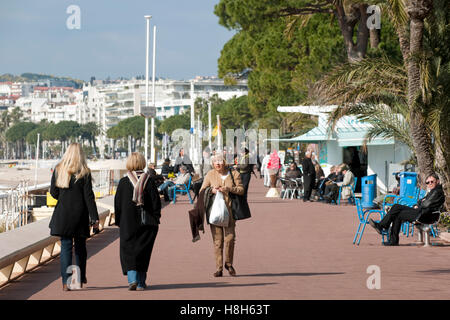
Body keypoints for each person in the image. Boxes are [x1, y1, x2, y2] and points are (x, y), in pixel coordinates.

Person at [49, 143, 99, 291]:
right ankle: (79, 279)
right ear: (81, 155)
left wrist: (64, 197)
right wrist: (94, 218)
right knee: (80, 249)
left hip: (63, 215)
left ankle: (66, 281)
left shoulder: (59, 169)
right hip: (80, 215)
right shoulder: (84, 172)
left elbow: (53, 192)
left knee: (65, 248)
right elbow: (89, 197)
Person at [114, 152, 161, 290]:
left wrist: (119, 221)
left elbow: (118, 204)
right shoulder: (149, 181)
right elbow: (156, 203)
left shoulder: (123, 182)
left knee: (128, 249)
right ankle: (140, 282)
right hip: (147, 222)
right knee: (144, 250)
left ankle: (132, 279)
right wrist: (156, 218)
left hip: (128, 222)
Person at [200, 154, 244, 277]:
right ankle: (219, 268)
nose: (217, 164)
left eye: (220, 161)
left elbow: (241, 189)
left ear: (224, 162)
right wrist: (211, 190)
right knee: (218, 241)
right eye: (215, 162)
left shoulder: (234, 173)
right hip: (215, 212)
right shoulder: (210, 174)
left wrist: (229, 189)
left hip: (230, 212)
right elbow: (202, 191)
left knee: (230, 239)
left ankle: (228, 264)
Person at [369, 173, 445, 246]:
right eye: (428, 182)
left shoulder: (437, 191)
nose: (430, 184)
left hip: (426, 215)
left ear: (437, 181)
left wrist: (421, 204)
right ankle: (384, 228)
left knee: (397, 214)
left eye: (432, 181)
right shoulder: (433, 191)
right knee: (396, 207)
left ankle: (386, 231)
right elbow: (420, 201)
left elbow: (426, 204)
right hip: (422, 212)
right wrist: (419, 204)